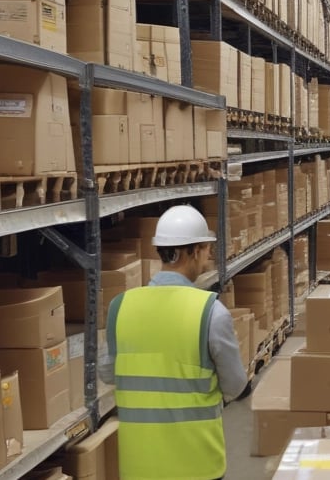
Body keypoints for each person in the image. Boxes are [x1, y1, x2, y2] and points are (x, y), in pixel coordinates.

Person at [99, 205, 249, 480]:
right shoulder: (210, 312)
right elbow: (235, 385)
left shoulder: (120, 307)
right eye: (206, 250)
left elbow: (108, 373)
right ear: (193, 252)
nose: (207, 259)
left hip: (139, 465)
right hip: (197, 465)